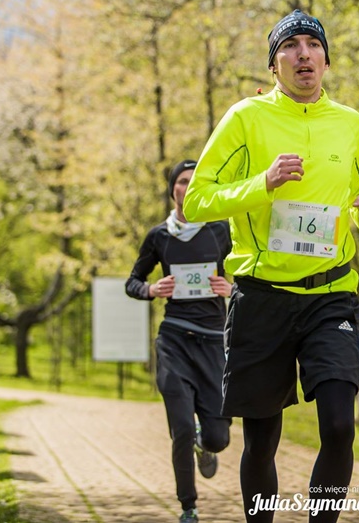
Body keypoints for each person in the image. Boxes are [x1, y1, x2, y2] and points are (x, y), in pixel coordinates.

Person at [183, 9, 359, 522]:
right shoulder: (246, 118)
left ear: (325, 60)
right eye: (290, 46)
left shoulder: (350, 124)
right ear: (274, 65)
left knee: (339, 425)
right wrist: (262, 184)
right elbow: (196, 202)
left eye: (312, 45)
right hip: (263, 294)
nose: (303, 54)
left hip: (330, 293)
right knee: (262, 439)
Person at [125, 159, 233, 523]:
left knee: (219, 437)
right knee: (182, 427)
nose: (188, 187)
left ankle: (208, 445)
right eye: (183, 181)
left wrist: (231, 290)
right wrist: (152, 289)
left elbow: (251, 275)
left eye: (195, 181)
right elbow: (133, 281)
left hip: (214, 341)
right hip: (173, 340)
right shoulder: (159, 236)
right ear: (173, 188)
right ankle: (188, 506)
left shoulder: (221, 230)